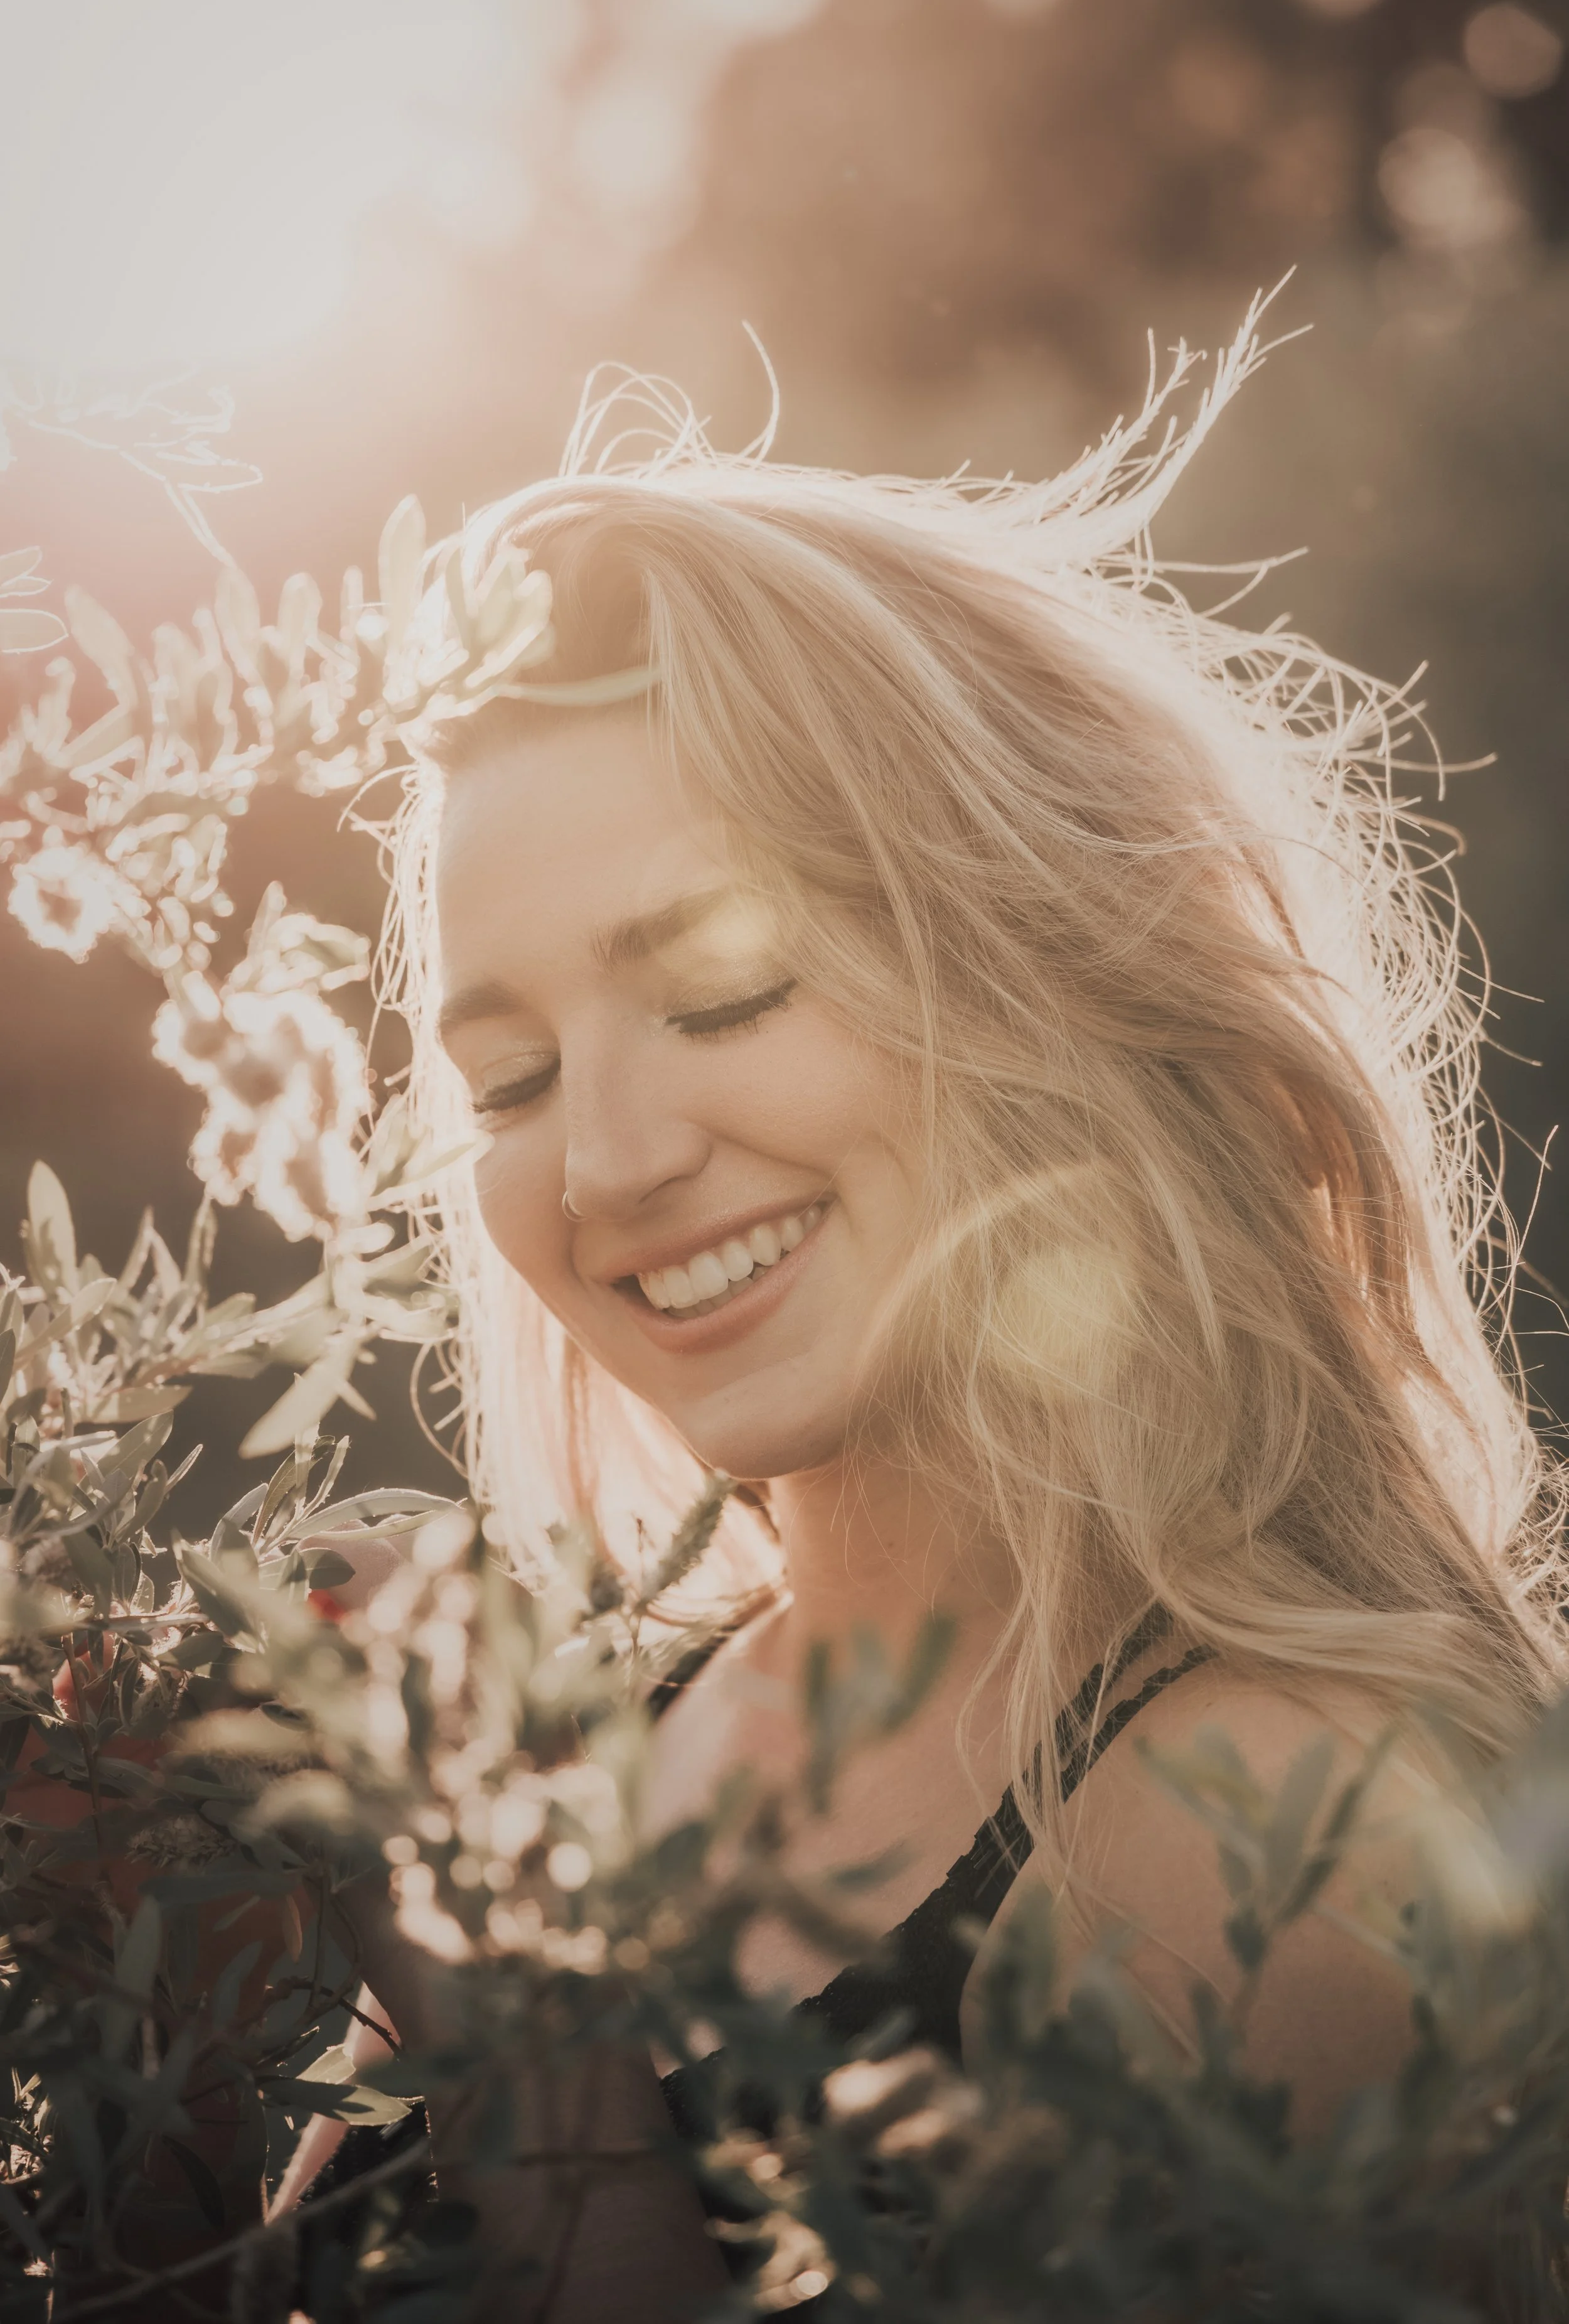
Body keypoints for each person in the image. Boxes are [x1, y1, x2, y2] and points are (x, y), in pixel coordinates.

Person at [279, 333, 1566, 2317]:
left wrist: (523, 2018)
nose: (604, 1162)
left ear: (1040, 973)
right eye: (514, 1075)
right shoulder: (601, 1738)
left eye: (719, 991)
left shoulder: (1272, 1835)